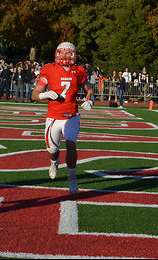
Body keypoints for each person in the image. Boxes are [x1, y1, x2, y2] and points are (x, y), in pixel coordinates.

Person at [31, 42, 93, 195]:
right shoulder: (49, 69)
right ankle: (54, 162)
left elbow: (89, 89)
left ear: (74, 55)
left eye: (68, 53)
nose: (65, 56)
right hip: (53, 117)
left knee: (71, 145)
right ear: (57, 54)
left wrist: (90, 100)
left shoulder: (79, 71)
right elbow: (34, 94)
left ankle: (72, 177)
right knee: (52, 151)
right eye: (62, 52)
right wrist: (44, 94)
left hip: (71, 115)